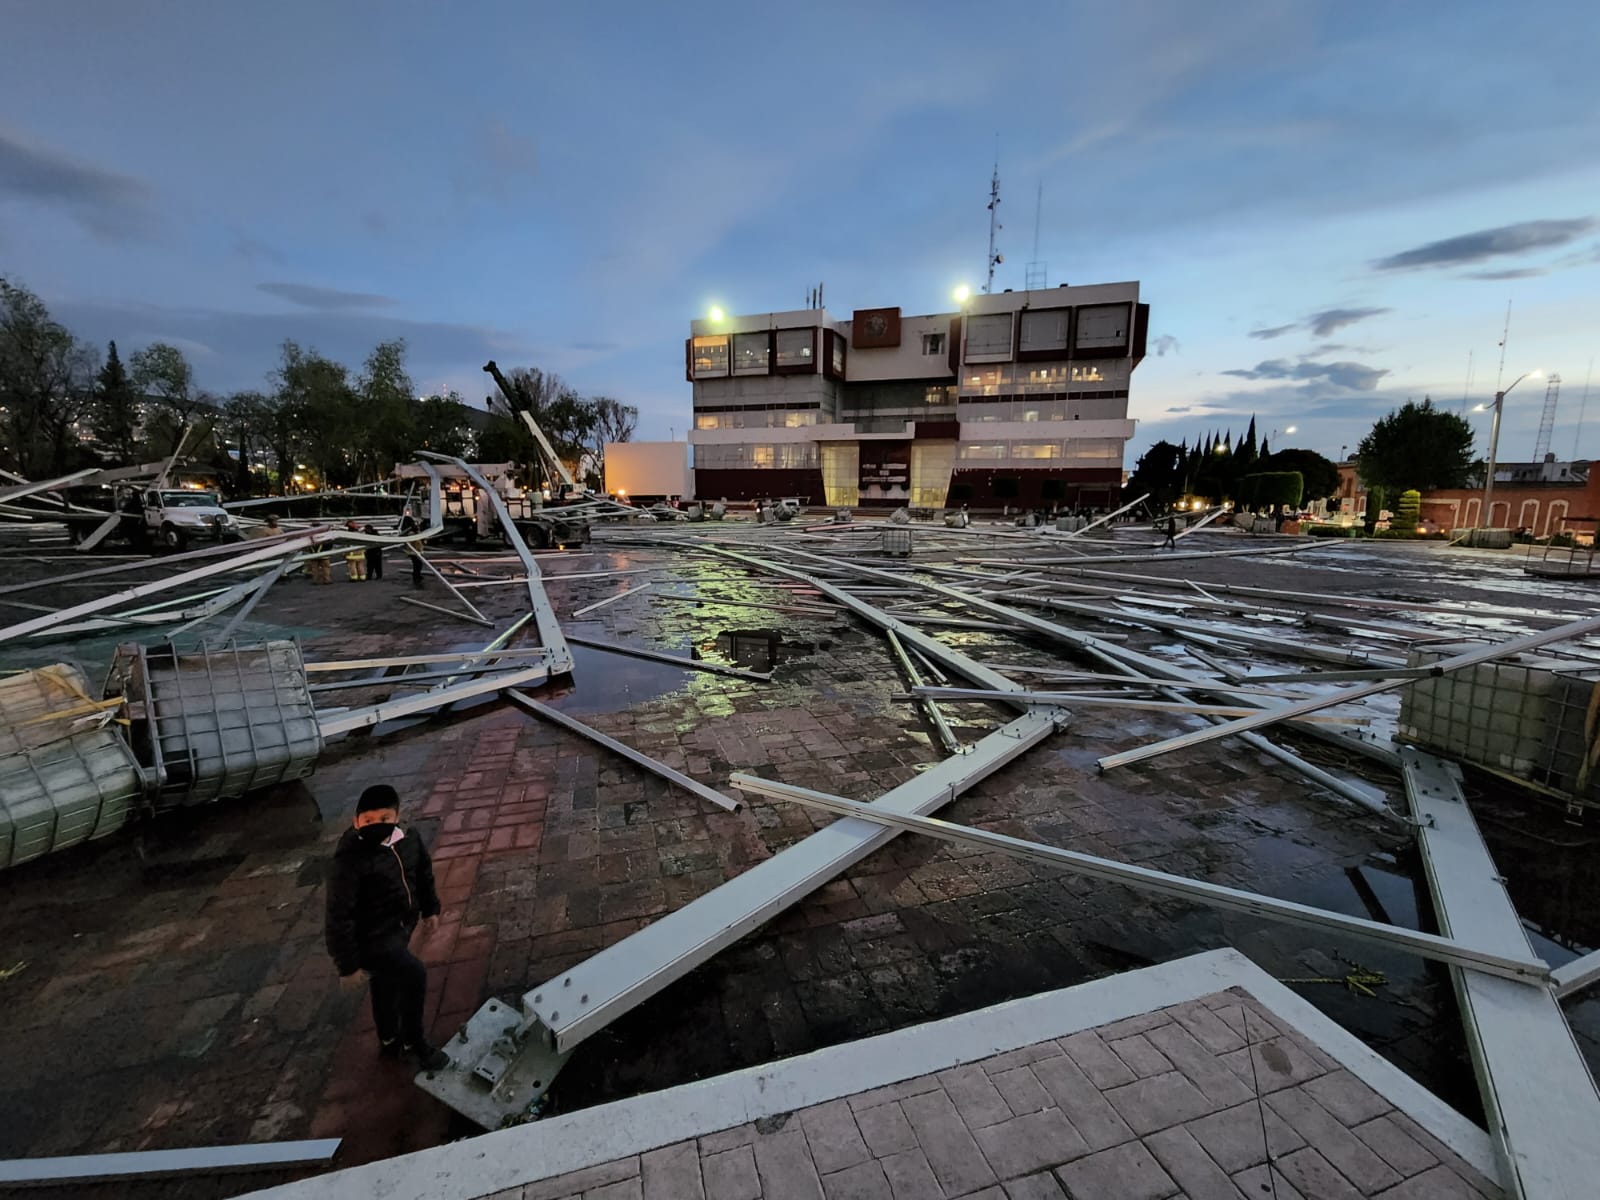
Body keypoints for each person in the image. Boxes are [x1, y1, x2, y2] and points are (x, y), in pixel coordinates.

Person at [324, 784, 450, 1070]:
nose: (376, 826)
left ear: (396, 816)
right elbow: (337, 915)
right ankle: (415, 1043)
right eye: (368, 821)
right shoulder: (350, 860)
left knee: (383, 983)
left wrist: (430, 909)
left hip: (401, 927)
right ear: (356, 821)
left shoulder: (409, 840)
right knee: (414, 975)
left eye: (383, 819)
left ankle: (389, 1039)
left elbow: (423, 874)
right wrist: (347, 965)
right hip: (372, 938)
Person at [398, 505, 424, 583]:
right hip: (414, 552)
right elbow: (415, 544)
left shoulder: (413, 533)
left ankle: (417, 575)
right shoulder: (412, 535)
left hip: (416, 552)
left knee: (418, 565)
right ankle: (416, 576)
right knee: (417, 565)